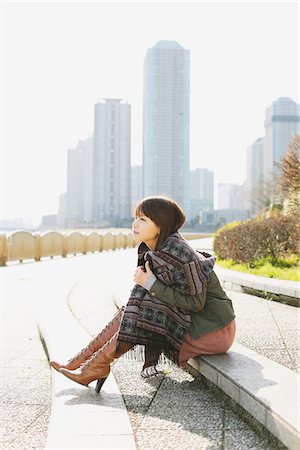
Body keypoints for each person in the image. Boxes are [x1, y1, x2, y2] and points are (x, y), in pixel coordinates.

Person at [50, 196, 235, 390]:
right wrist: (150, 285)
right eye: (135, 218)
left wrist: (151, 283)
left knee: (141, 313)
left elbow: (195, 303)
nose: (134, 224)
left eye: (143, 220)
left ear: (161, 225)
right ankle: (81, 364)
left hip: (214, 331)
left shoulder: (181, 255)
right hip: (194, 324)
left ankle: (93, 368)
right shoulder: (155, 252)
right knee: (130, 310)